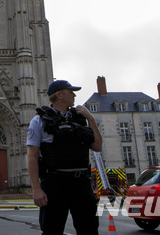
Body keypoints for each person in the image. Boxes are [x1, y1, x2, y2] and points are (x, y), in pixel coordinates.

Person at [27, 80, 103, 235]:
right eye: (70, 91)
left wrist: (91, 118)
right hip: (55, 183)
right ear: (59, 95)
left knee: (89, 229)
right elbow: (32, 156)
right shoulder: (39, 121)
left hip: (81, 183)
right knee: (52, 230)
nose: (74, 95)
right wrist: (36, 189)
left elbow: (97, 146)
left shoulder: (80, 118)